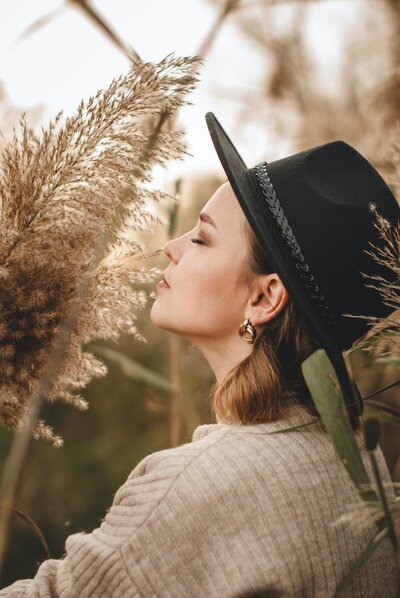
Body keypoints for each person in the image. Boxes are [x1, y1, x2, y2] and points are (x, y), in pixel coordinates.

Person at [1, 112, 399, 597]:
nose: (171, 247)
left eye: (203, 238)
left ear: (264, 298)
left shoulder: (197, 486)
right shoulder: (363, 465)